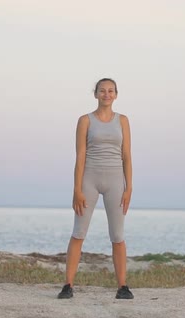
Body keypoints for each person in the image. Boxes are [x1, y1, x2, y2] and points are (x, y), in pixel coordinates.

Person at [57, 78, 134, 300]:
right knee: (79, 232)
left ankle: (122, 287)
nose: (106, 94)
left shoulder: (123, 121)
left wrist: (129, 188)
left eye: (111, 91)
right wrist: (76, 189)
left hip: (115, 182)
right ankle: (68, 285)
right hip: (89, 179)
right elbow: (80, 156)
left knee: (117, 235)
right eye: (102, 91)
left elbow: (127, 156)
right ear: (96, 94)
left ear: (116, 95)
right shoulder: (85, 121)